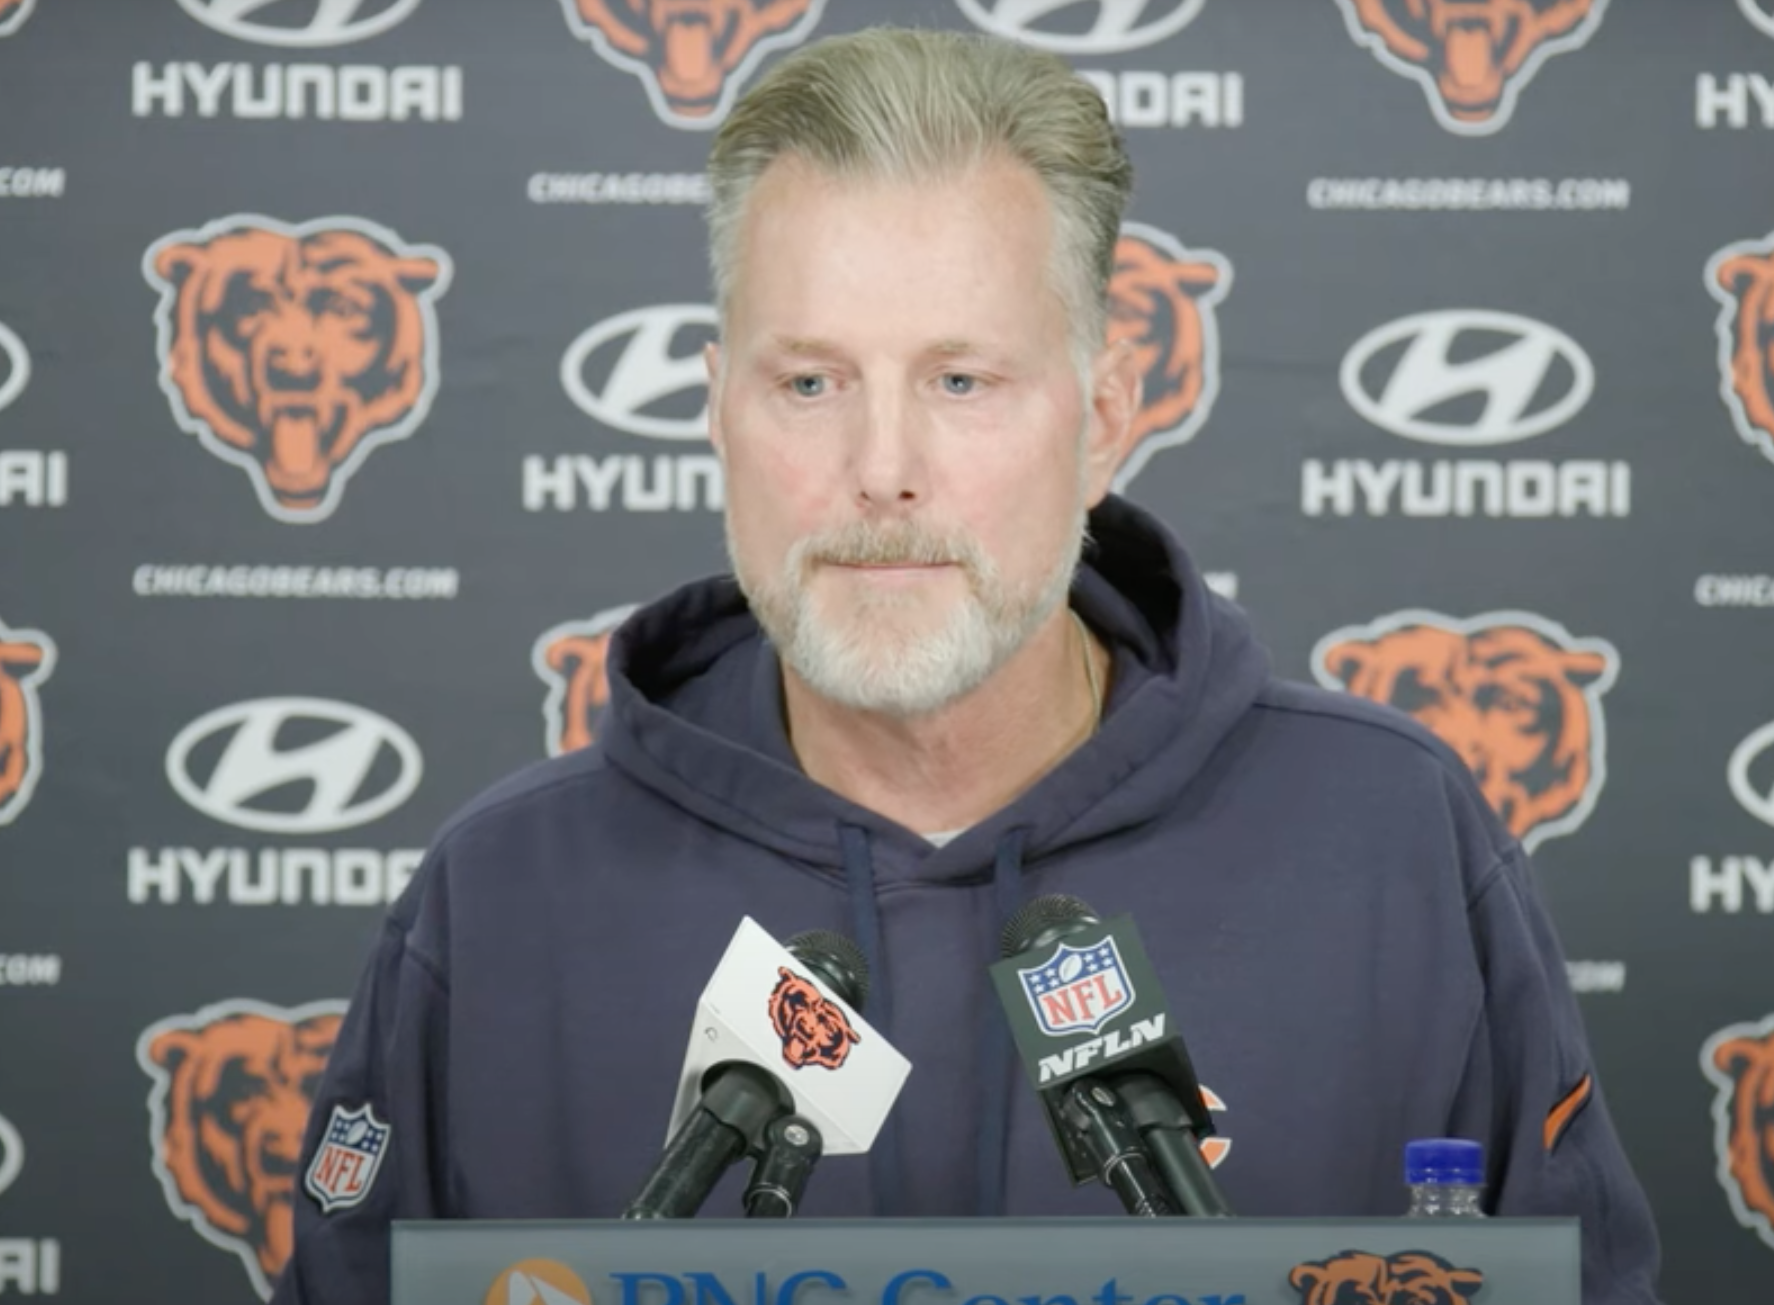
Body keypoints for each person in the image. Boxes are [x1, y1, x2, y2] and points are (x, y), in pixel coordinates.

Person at [271, 27, 1663, 1304]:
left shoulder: (1391, 841)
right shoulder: (502, 896)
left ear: (1103, 417)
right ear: (715, 414)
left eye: (961, 381)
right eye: (808, 383)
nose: (882, 469)